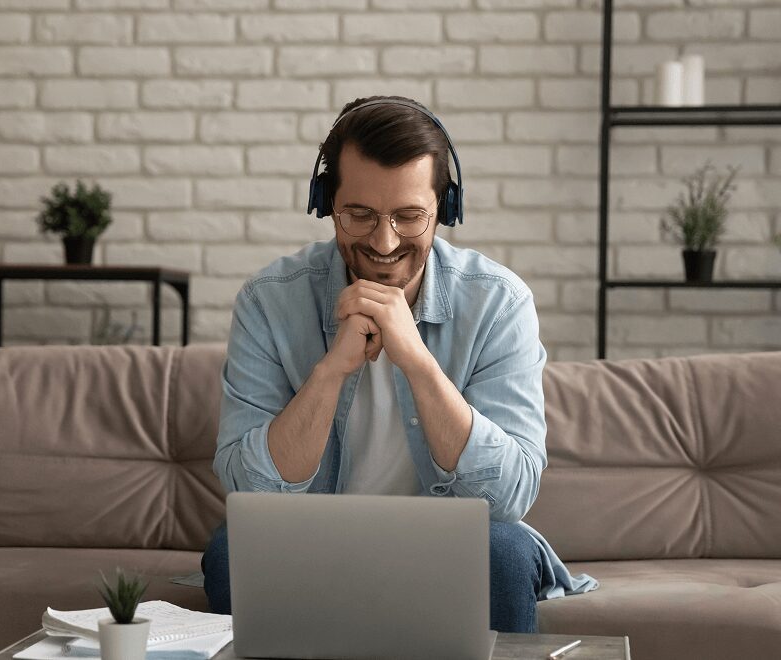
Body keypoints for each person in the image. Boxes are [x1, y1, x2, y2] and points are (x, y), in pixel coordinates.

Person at [201, 96, 597, 633]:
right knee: (233, 552)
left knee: (501, 551)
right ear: (325, 203)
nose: (383, 241)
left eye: (409, 217)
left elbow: (509, 497)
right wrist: (332, 370)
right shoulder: (269, 301)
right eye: (359, 214)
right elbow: (247, 491)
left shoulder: (499, 302)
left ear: (445, 211)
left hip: (454, 541)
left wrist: (416, 360)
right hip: (314, 537)